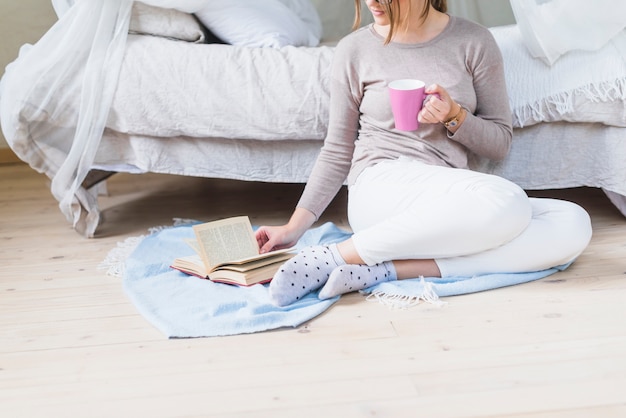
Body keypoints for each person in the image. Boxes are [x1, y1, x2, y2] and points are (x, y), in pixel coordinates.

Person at [255, 0, 592, 307]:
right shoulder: (355, 49)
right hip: (381, 187)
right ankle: (332, 257)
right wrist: (294, 227)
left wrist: (454, 116)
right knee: (509, 200)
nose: (372, 2)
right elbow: (337, 150)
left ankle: (386, 270)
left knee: (572, 222)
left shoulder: (474, 41)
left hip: (451, 197)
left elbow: (499, 143)